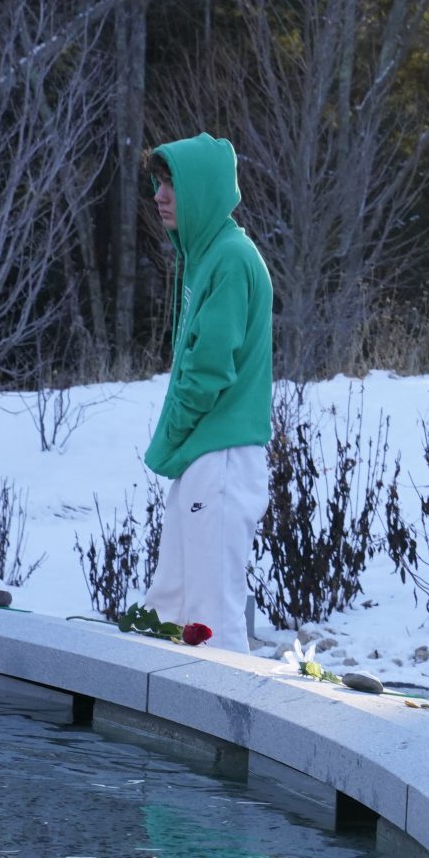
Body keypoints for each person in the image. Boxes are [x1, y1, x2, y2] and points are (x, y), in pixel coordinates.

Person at [141, 133, 272, 649]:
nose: (160, 195)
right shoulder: (207, 257)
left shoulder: (232, 258)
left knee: (213, 617)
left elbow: (207, 372)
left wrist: (168, 440)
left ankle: (225, 728)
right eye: (158, 183)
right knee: (169, 605)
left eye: (172, 183)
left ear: (204, 189)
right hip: (203, 456)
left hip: (222, 457)